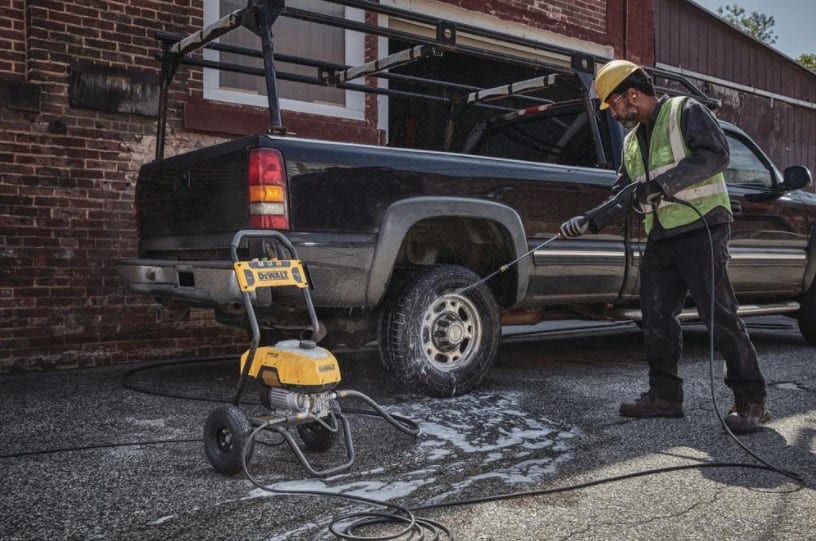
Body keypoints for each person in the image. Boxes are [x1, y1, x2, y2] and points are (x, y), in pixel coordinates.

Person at [560, 60, 769, 433]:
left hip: (703, 227)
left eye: (616, 105)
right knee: (655, 315)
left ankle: (750, 399)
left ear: (633, 95)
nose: (617, 113)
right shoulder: (630, 143)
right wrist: (589, 220)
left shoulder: (685, 111)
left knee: (719, 314)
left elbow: (716, 155)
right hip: (663, 234)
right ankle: (665, 396)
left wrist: (661, 186)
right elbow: (623, 195)